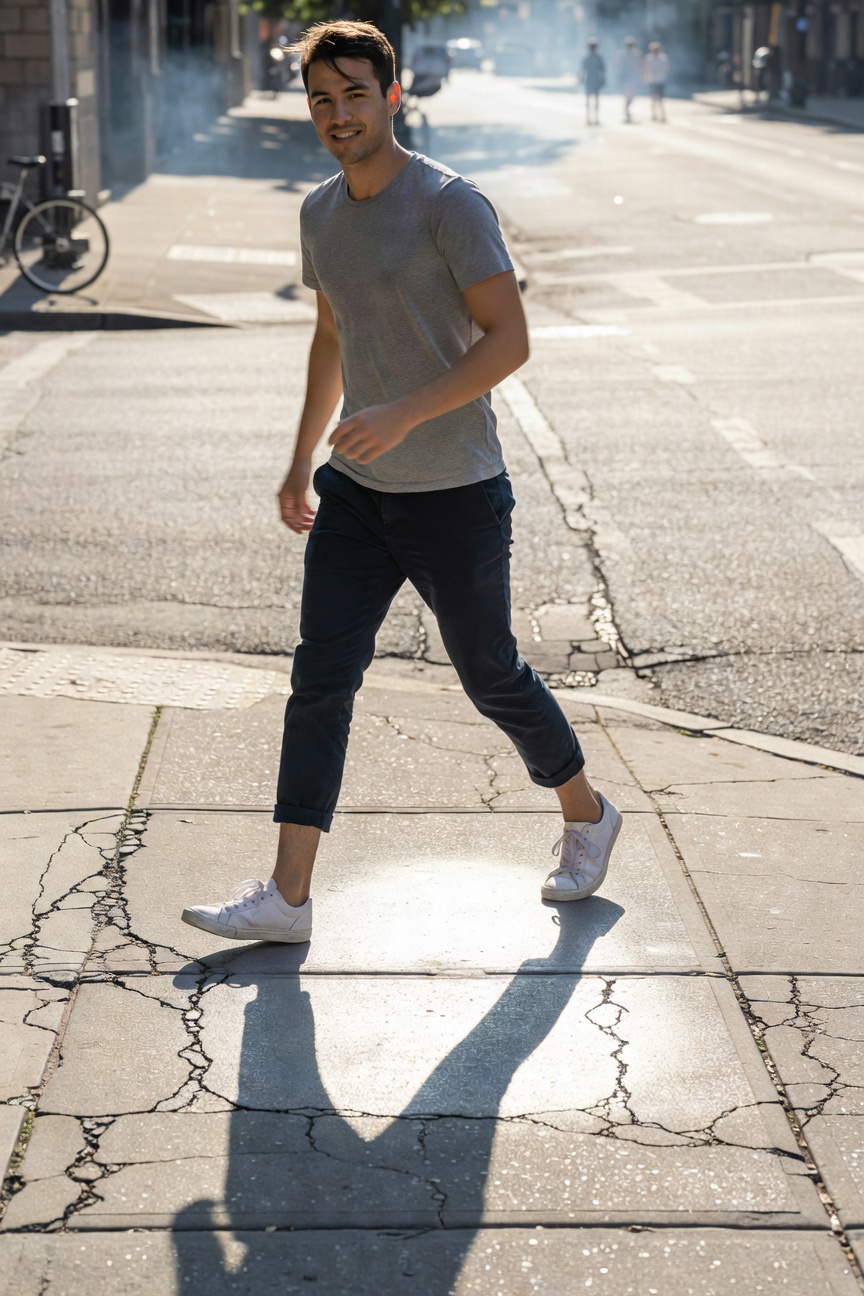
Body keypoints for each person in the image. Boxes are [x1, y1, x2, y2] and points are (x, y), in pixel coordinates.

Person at [181, 19, 622, 946]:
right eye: (321, 99)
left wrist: (407, 411)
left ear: (390, 95)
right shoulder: (318, 214)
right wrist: (302, 457)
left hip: (457, 490)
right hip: (355, 494)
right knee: (320, 681)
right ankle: (288, 897)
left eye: (353, 94)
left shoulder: (449, 206)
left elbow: (511, 339)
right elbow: (331, 336)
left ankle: (586, 814)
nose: (337, 114)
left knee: (490, 674)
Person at [615, 35, 642, 123]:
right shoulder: (622, 54)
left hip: (633, 76)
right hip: (625, 76)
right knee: (627, 95)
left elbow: (639, 66)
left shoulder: (637, 54)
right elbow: (618, 66)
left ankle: (627, 108)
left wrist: (640, 76)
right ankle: (627, 112)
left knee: (632, 95)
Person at [643, 41, 671, 122]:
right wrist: (645, 79)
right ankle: (654, 114)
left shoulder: (663, 58)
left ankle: (662, 115)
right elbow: (645, 69)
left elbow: (667, 68)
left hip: (660, 80)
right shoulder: (648, 58)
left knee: (660, 99)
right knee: (653, 98)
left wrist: (668, 74)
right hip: (652, 81)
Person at [580, 38, 605, 126]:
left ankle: (595, 118)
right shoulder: (589, 58)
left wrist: (603, 79)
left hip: (594, 80)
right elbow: (583, 70)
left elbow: (602, 70)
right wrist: (581, 79)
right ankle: (589, 118)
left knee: (595, 100)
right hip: (591, 80)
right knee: (589, 100)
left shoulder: (597, 58)